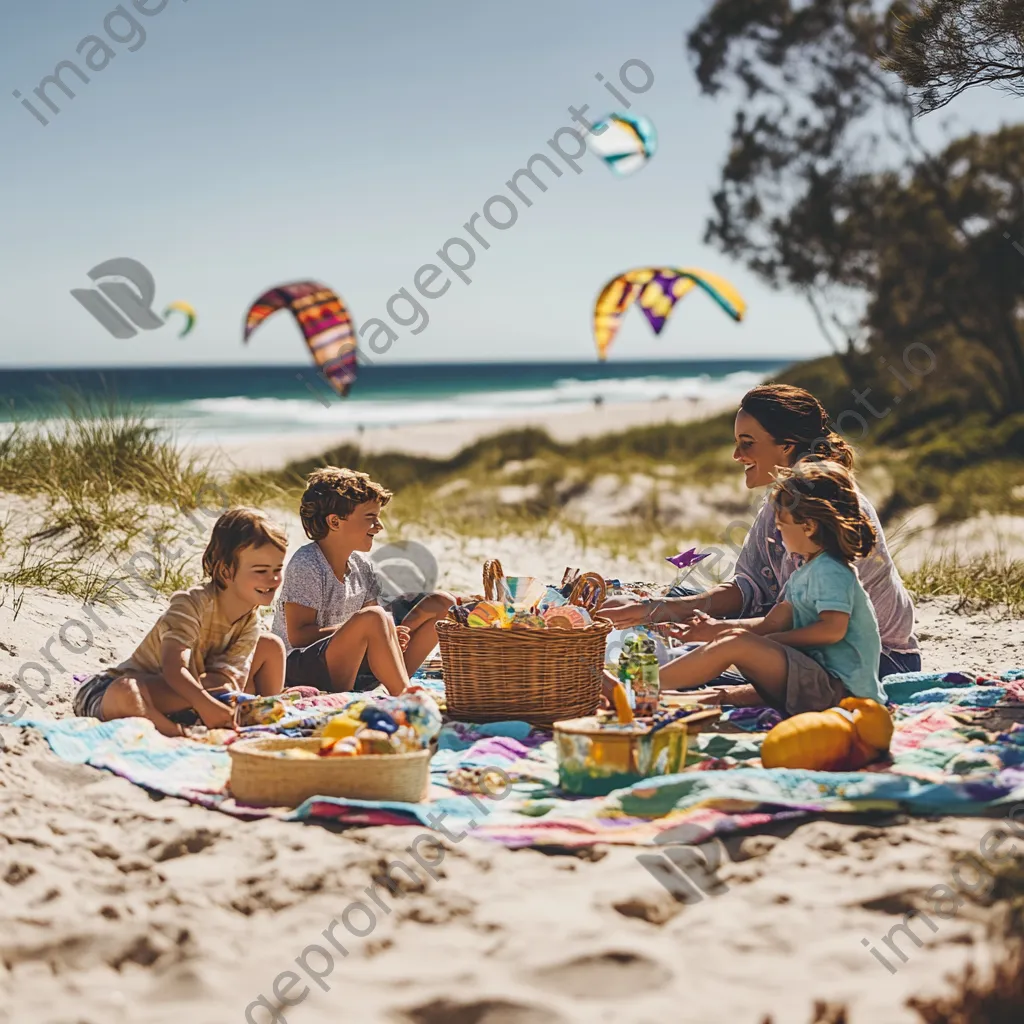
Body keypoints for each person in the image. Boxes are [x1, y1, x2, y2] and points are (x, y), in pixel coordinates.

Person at [603, 383, 920, 678]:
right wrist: (657, 609)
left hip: (876, 659)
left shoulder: (827, 508)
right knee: (677, 601)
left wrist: (715, 632)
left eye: (747, 443)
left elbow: (804, 623)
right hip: (805, 638)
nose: (737, 455)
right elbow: (749, 588)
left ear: (787, 445)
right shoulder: (782, 501)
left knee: (699, 660)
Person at [609, 461, 883, 714]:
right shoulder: (804, 573)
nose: (778, 534)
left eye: (781, 526)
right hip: (815, 679)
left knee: (737, 644)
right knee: (732, 644)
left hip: (842, 692)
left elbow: (833, 629)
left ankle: (635, 691)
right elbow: (770, 624)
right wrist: (711, 631)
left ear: (809, 527)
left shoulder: (830, 570)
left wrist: (766, 643)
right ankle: (647, 692)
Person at [72, 508, 288, 736]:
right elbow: (174, 668)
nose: (273, 579)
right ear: (226, 571)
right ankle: (180, 734)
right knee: (125, 692)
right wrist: (206, 703)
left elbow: (225, 682)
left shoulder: (250, 622)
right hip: (112, 691)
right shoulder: (191, 604)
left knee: (270, 646)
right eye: (261, 570)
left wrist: (219, 698)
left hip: (182, 696)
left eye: (277, 569)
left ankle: (264, 716)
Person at [272, 466, 455, 695]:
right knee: (375, 618)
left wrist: (391, 635)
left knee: (441, 603)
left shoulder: (361, 564)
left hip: (352, 661)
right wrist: (364, 628)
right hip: (301, 667)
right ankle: (405, 694)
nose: (379, 527)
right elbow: (298, 636)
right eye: (370, 518)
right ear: (335, 522)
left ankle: (391, 685)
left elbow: (376, 621)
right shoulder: (307, 563)